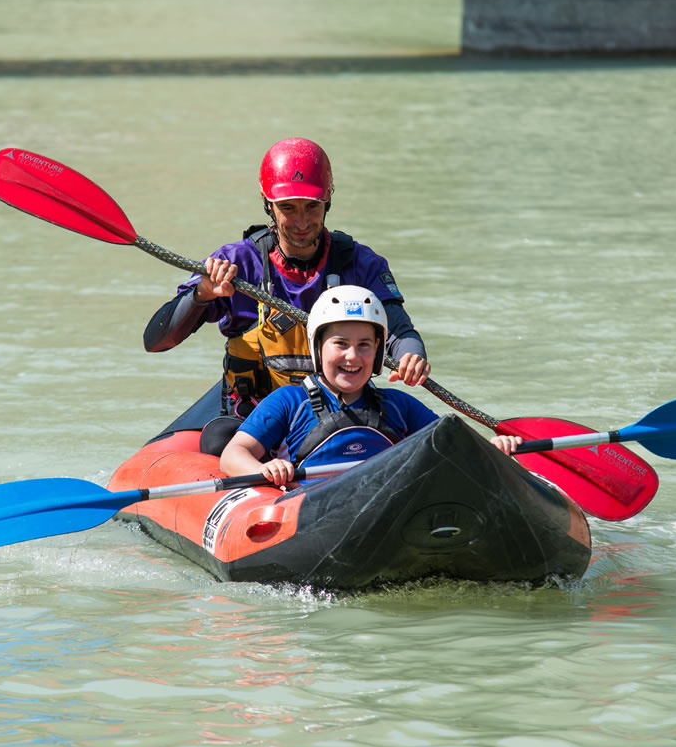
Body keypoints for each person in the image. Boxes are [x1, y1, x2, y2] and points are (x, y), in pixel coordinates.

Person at [144, 137, 430, 423]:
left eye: (311, 207)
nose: (302, 222)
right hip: (255, 420)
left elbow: (400, 331)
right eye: (288, 208)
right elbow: (155, 342)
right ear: (268, 205)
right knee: (217, 440)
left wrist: (411, 356)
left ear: (327, 200)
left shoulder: (361, 264)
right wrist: (202, 294)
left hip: (340, 414)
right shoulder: (236, 264)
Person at [220, 286, 522, 486]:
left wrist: (493, 449)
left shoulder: (399, 406)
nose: (353, 356)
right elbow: (234, 454)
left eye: (364, 345)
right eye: (340, 344)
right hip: (309, 511)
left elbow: (454, 447)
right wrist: (264, 470)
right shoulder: (288, 401)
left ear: (378, 351)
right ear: (318, 348)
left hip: (383, 509)